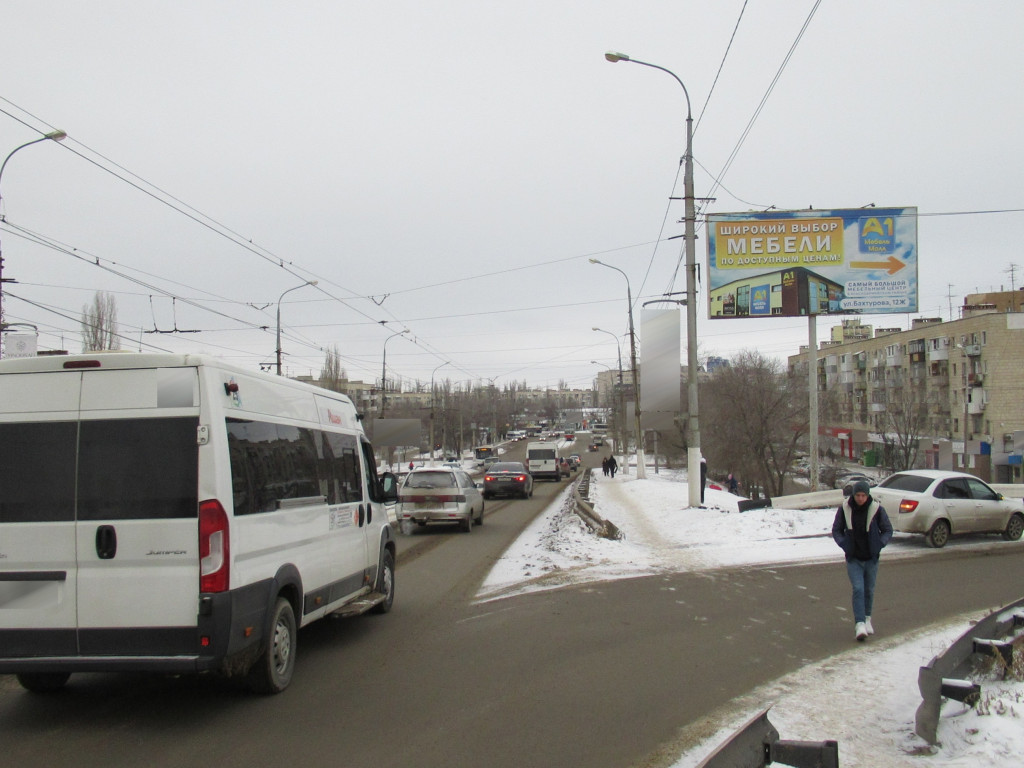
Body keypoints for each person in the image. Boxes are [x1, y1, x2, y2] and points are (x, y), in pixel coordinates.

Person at [832, 479, 893, 641]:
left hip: (871, 558)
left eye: (863, 495)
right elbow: (837, 530)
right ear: (853, 495)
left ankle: (867, 618)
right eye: (858, 495)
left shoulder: (877, 509)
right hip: (854, 558)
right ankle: (859, 624)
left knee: (869, 590)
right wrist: (844, 544)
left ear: (867, 495)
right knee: (858, 589)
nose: (860, 498)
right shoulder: (845, 509)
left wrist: (879, 544)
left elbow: (887, 530)